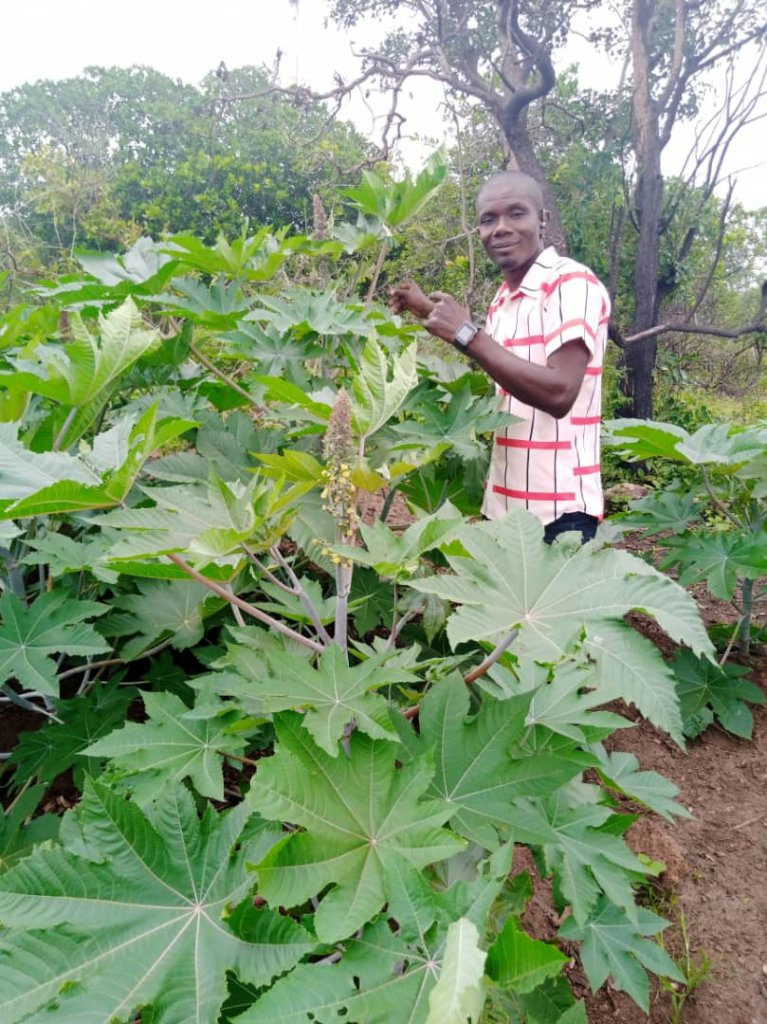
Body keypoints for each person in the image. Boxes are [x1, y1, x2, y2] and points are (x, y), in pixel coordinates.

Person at [389, 170, 610, 544]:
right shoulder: (503, 301)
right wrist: (429, 310)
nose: (501, 228)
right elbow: (503, 363)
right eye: (488, 220)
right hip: (505, 509)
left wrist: (464, 333)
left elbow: (560, 393)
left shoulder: (570, 282)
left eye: (516, 214)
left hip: (561, 516)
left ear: (543, 220)